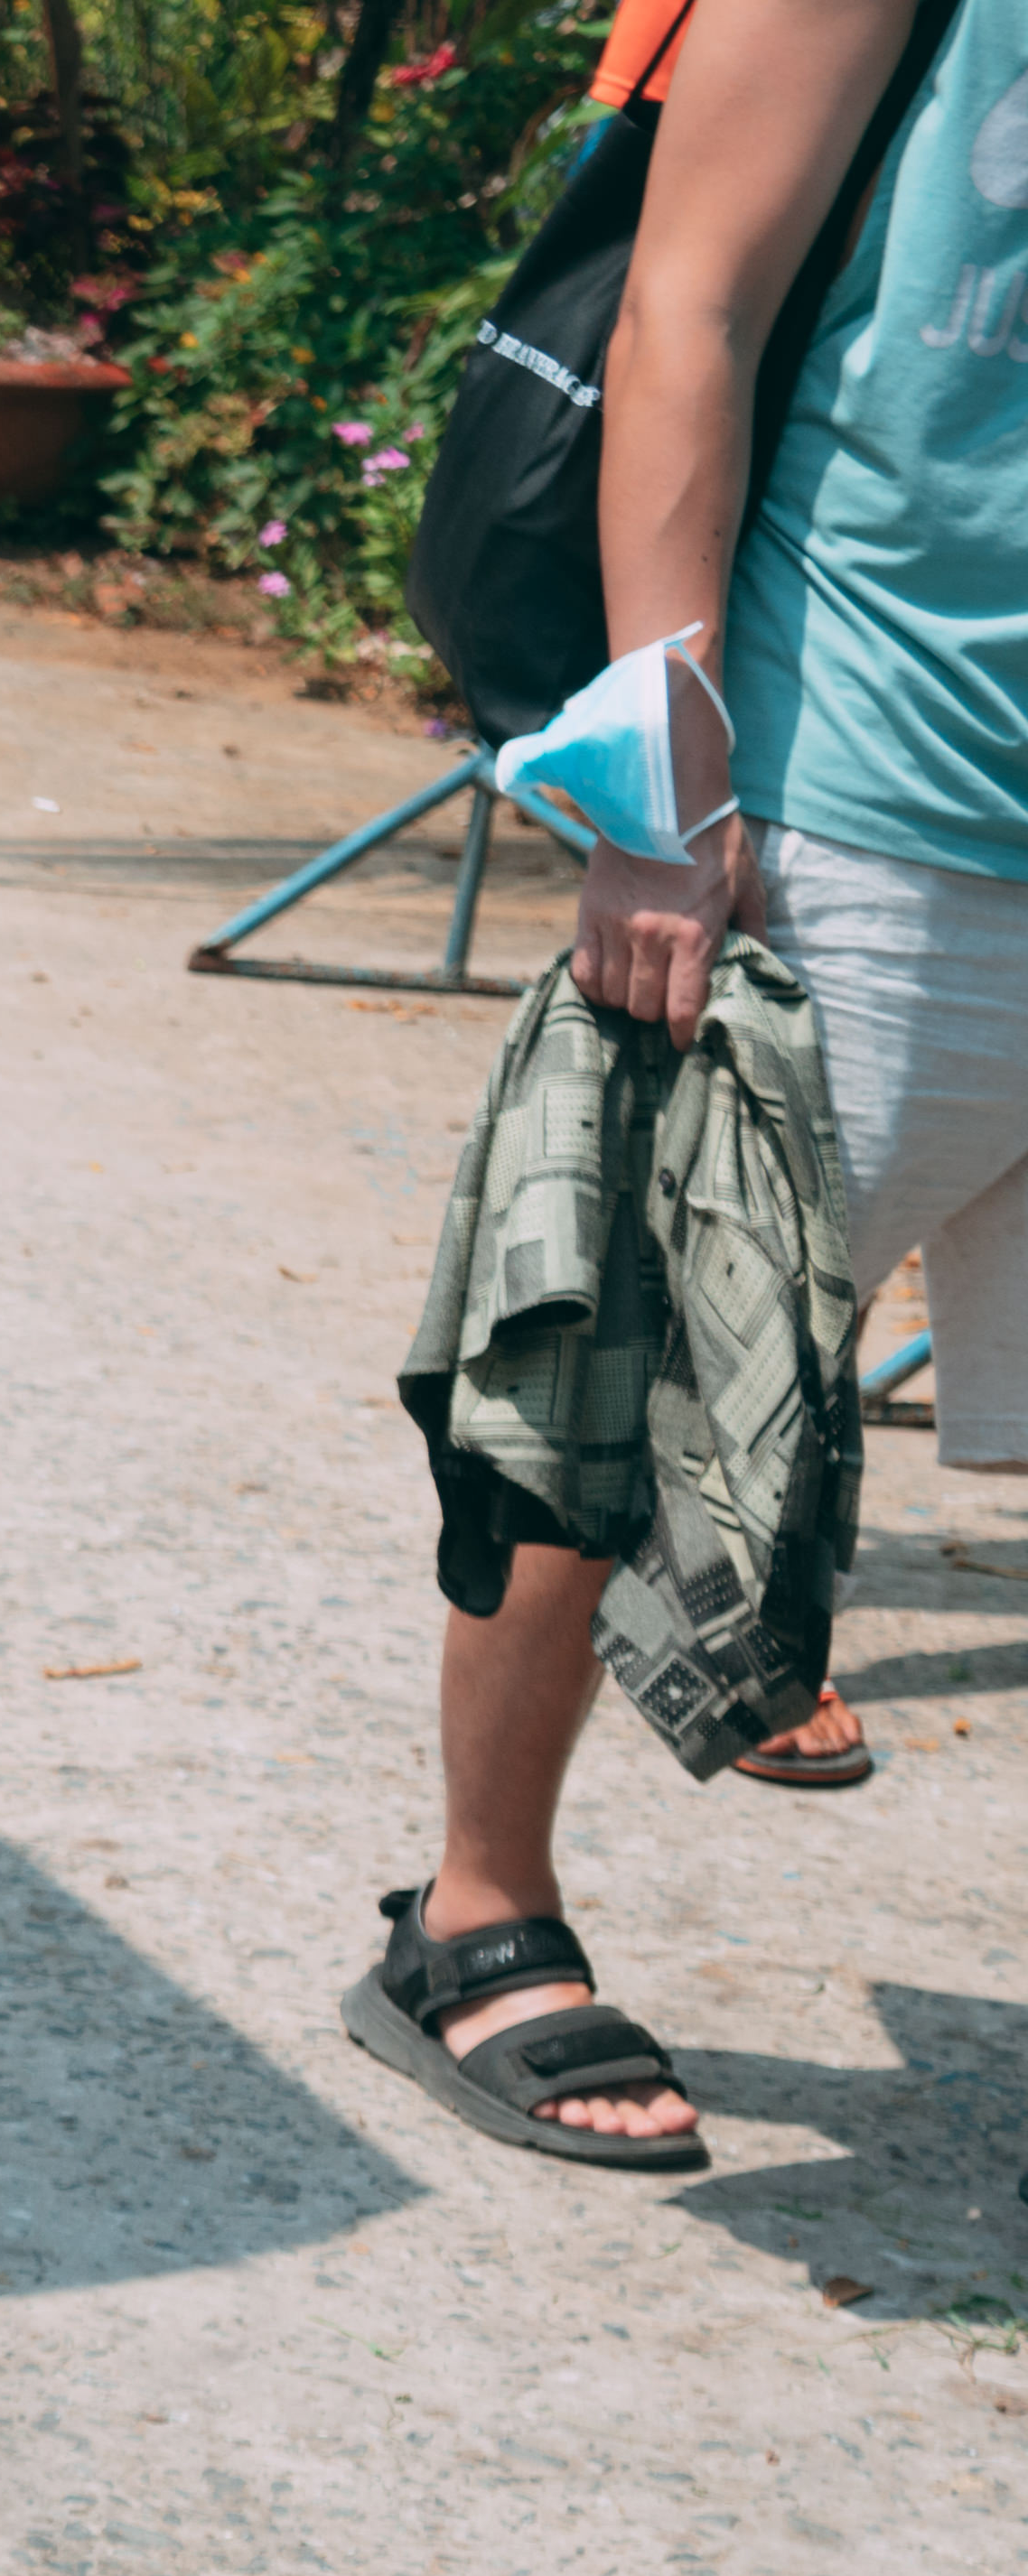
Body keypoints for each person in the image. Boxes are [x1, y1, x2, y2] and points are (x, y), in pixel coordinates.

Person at [359, 0, 1023, 2165]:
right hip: (874, 794)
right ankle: (476, 1912)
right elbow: (694, 301)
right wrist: (665, 782)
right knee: (632, 1391)